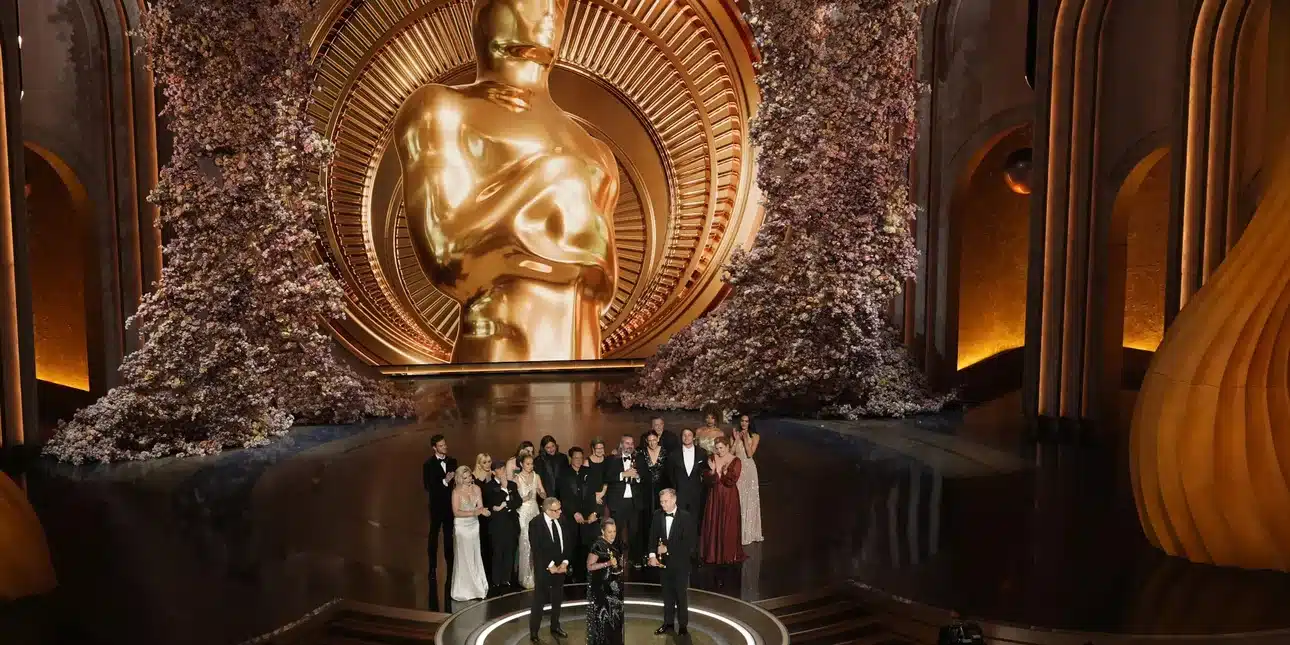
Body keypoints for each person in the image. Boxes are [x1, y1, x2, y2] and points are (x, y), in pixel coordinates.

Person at [648, 489, 695, 636]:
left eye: (666, 501)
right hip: (664, 564)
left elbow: (689, 543)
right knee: (667, 595)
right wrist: (652, 555)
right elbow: (652, 537)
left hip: (680, 564)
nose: (663, 504)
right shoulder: (657, 515)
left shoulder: (685, 517)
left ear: (674, 500)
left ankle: (683, 626)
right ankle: (668, 623)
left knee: (681, 596)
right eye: (661, 502)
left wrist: (668, 548)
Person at [528, 497, 572, 642]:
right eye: (556, 510)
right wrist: (550, 565)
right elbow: (537, 548)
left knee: (557, 598)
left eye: (560, 509)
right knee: (539, 600)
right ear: (547, 510)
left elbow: (567, 541)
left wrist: (565, 562)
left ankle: (555, 626)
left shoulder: (562, 520)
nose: (560, 512)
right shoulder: (535, 523)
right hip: (544, 568)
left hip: (561, 568)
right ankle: (534, 632)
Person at [421, 434, 457, 611]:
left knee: (449, 534)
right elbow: (428, 486)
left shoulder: (452, 461)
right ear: (434, 448)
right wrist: (445, 481)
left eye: (445, 444)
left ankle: (450, 563)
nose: (445, 447)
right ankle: (432, 565)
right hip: (436, 506)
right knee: (434, 533)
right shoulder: (428, 465)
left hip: (450, 505)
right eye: (441, 445)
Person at [701, 436, 746, 565]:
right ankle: (713, 554)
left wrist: (723, 473)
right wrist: (713, 471)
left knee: (727, 523)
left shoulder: (735, 461)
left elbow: (731, 481)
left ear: (727, 446)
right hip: (714, 495)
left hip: (729, 496)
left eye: (721, 448)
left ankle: (727, 554)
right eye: (717, 448)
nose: (719, 451)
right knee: (714, 520)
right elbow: (707, 479)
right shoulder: (712, 458)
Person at [558, 447, 600, 582]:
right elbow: (563, 497)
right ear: (571, 458)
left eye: (581, 458)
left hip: (588, 516)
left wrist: (594, 512)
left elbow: (593, 495)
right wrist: (574, 513)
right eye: (576, 458)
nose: (578, 460)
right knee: (572, 544)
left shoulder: (588, 472)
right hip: (571, 516)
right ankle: (572, 571)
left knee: (587, 544)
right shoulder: (564, 474)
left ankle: (586, 571)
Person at [450, 466, 490, 602]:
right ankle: (464, 589)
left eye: (469, 476)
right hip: (461, 527)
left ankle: (477, 587)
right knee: (464, 556)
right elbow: (456, 512)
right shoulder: (456, 492)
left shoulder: (477, 489)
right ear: (459, 479)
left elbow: (480, 506)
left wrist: (483, 511)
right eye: (465, 477)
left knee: (474, 554)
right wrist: (474, 512)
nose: (468, 479)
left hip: (474, 525)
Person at [484, 459, 521, 595]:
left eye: (504, 469)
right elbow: (493, 502)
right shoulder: (489, 487)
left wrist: (506, 504)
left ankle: (507, 578)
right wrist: (505, 492)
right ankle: (496, 580)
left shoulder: (512, 485)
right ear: (494, 472)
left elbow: (518, 501)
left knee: (510, 550)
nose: (503, 472)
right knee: (498, 551)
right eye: (499, 469)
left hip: (511, 522)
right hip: (497, 524)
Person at [585, 518, 625, 645]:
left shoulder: (614, 544)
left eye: (614, 531)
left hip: (615, 589)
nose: (613, 535)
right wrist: (607, 563)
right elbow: (589, 566)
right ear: (603, 531)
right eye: (609, 532)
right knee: (605, 622)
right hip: (603, 591)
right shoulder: (598, 545)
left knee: (616, 621)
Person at [604, 435, 643, 564]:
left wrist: (638, 477)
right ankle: (616, 559)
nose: (630, 446)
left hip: (634, 502)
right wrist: (623, 474)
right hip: (617, 502)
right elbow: (607, 477)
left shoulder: (639, 459)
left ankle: (634, 559)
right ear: (621, 445)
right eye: (627, 443)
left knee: (634, 532)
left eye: (631, 443)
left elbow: (645, 477)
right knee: (616, 532)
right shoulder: (611, 459)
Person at [669, 428, 707, 555]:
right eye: (684, 435)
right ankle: (679, 550)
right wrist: (676, 489)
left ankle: (693, 551)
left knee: (695, 521)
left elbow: (705, 472)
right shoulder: (674, 454)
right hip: (680, 493)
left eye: (689, 435)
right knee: (679, 521)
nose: (686, 437)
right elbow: (670, 474)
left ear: (694, 437)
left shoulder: (702, 453)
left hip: (696, 494)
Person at [515, 453, 547, 589]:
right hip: (523, 511)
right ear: (521, 464)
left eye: (531, 463)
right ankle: (526, 576)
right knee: (525, 541)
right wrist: (525, 498)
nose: (530, 466)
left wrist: (541, 493)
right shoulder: (517, 478)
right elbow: (515, 500)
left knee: (536, 541)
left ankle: (536, 575)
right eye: (527, 464)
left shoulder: (536, 476)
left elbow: (543, 493)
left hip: (534, 510)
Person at [732, 415, 763, 544]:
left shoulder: (755, 436)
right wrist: (736, 440)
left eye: (746, 421)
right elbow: (731, 453)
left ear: (750, 423)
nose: (744, 423)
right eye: (742, 421)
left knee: (749, 499)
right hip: (737, 468)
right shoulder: (735, 434)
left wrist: (745, 439)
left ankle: (749, 532)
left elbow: (750, 454)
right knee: (737, 498)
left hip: (749, 470)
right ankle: (737, 532)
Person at [473, 453, 495, 579]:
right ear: (479, 464)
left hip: (492, 513)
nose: (488, 464)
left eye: (489, 461)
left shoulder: (493, 475)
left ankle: (491, 572)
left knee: (492, 542)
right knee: (482, 542)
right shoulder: (473, 477)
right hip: (480, 515)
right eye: (484, 462)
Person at [536, 435, 570, 500]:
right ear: (543, 448)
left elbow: (567, 477)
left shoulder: (563, 457)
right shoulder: (538, 460)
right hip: (546, 495)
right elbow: (538, 480)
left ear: (556, 445)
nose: (551, 449)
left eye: (553, 446)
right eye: (548, 447)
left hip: (561, 494)